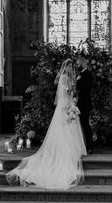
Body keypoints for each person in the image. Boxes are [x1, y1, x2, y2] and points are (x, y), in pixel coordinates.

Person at [6, 58, 86, 190]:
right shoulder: (66, 78)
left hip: (65, 104)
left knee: (65, 127)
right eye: (69, 66)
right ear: (65, 67)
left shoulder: (63, 77)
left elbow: (63, 89)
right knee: (65, 127)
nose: (70, 68)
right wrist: (72, 92)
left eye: (71, 66)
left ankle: (68, 147)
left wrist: (72, 95)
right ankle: (65, 149)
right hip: (65, 105)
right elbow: (67, 92)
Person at [76, 56, 94, 153]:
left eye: (78, 64)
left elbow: (85, 89)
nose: (77, 66)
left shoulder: (87, 75)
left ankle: (90, 147)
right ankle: (86, 146)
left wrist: (78, 81)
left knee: (86, 125)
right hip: (82, 103)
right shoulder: (83, 74)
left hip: (84, 104)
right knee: (84, 125)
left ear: (82, 64)